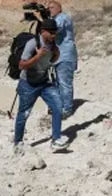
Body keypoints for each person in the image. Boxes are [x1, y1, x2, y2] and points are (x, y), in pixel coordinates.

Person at [13, 18, 70, 153]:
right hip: (28, 84)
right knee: (24, 113)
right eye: (51, 33)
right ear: (43, 31)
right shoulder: (33, 44)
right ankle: (18, 142)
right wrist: (38, 56)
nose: (53, 35)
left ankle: (56, 139)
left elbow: (52, 60)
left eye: (55, 32)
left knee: (57, 106)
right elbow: (22, 65)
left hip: (44, 82)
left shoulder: (52, 43)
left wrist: (56, 54)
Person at [48, 0, 77, 118]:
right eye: (48, 8)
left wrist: (46, 24)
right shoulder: (56, 19)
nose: (50, 10)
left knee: (65, 83)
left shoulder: (62, 18)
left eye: (52, 7)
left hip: (65, 55)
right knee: (56, 82)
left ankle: (67, 109)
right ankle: (59, 106)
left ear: (59, 8)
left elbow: (55, 29)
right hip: (57, 56)